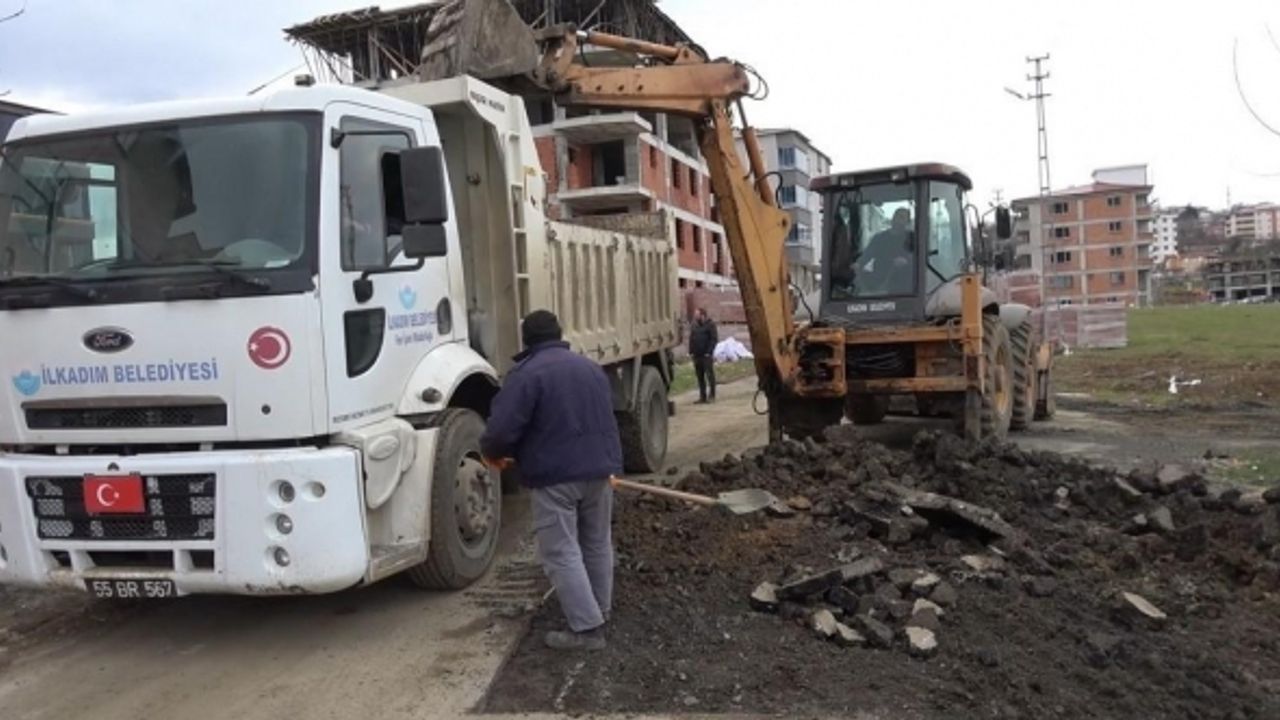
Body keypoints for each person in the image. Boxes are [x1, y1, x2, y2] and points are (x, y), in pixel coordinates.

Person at [480, 310, 622, 651]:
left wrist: (493, 453)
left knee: (560, 551)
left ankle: (587, 630)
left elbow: (501, 429)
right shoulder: (590, 369)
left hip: (556, 476)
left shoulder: (527, 375)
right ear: (559, 334)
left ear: (527, 340)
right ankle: (599, 611)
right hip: (599, 472)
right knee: (597, 542)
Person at [688, 308, 718, 403]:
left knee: (709, 376)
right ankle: (702, 396)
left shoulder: (710, 324)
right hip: (697, 355)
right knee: (700, 377)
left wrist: (709, 352)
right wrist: (691, 352)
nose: (695, 316)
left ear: (702, 315)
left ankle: (712, 396)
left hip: (706, 356)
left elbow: (714, 339)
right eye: (695, 314)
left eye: (697, 314)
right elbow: (691, 338)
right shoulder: (694, 325)